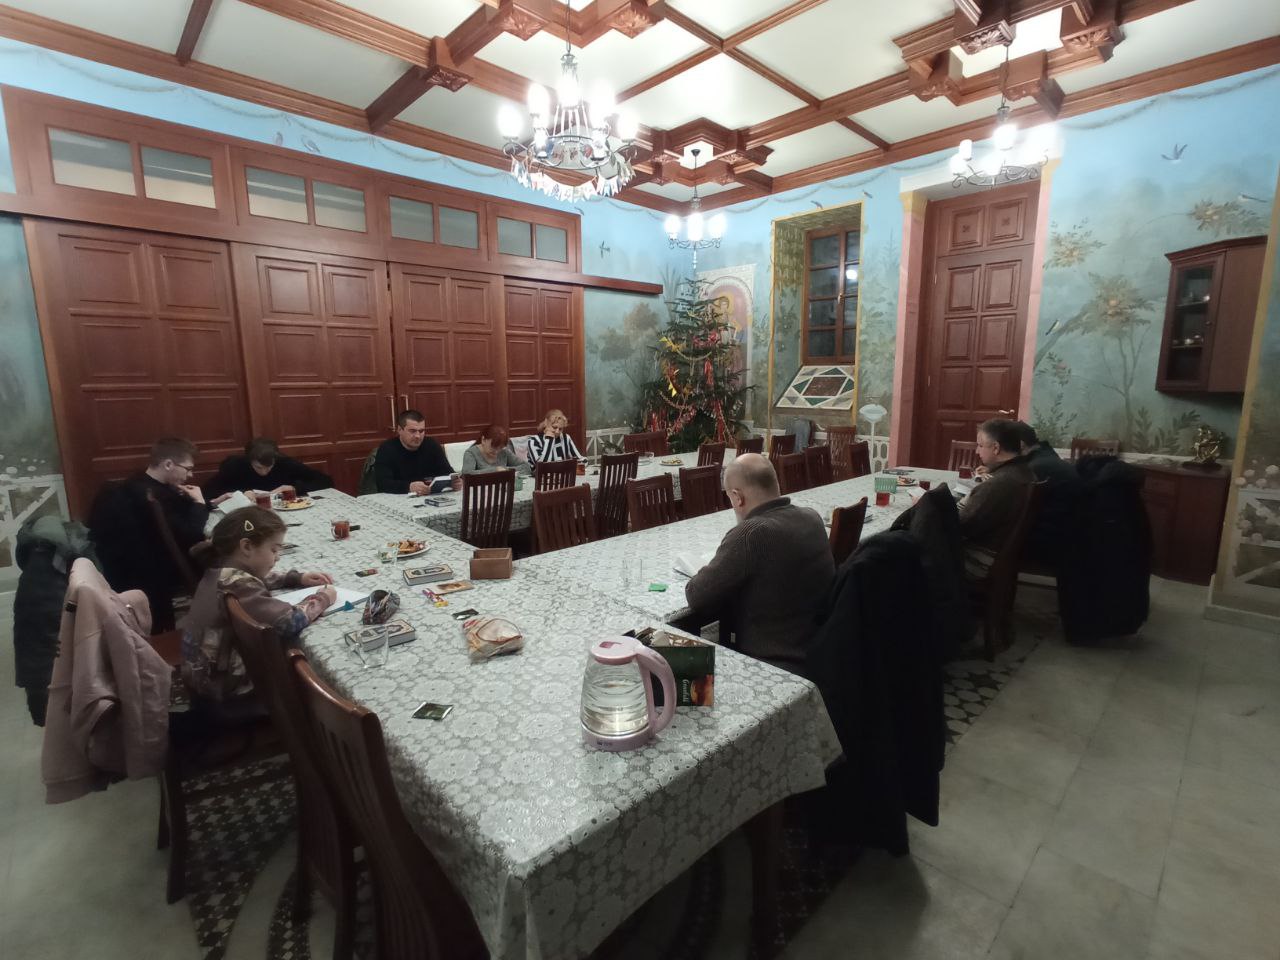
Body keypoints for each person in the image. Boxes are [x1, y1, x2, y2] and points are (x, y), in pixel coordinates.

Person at [679, 453, 834, 672]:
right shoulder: (812, 517)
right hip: (822, 654)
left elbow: (697, 596)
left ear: (737, 497)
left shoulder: (750, 533)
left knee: (680, 658)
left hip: (774, 665)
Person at [181, 506, 334, 714]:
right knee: (314, 679)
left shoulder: (219, 571)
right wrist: (324, 598)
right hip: (232, 696)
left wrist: (296, 578)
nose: (278, 557)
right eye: (274, 550)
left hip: (205, 683)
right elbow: (288, 621)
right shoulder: (239, 585)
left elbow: (254, 578)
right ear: (246, 546)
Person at [88, 438, 212, 627]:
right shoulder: (154, 497)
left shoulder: (139, 483)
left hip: (138, 566)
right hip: (154, 573)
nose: (190, 475)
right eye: (187, 469)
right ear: (168, 464)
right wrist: (199, 503)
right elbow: (192, 533)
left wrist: (207, 502)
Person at [957, 419, 1035, 574]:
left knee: (908, 543)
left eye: (980, 445)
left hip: (976, 560)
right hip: (1002, 553)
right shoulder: (1024, 472)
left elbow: (960, 527)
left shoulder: (999, 484)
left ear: (996, 448)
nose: (977, 451)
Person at [1011, 421, 1081, 568]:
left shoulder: (1035, 467)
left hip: (1053, 540)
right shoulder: (1047, 455)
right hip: (1071, 532)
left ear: (1021, 444)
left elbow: (1014, 508)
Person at [204, 437, 333, 500]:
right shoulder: (235, 465)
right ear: (249, 460)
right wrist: (241, 493)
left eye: (269, 467)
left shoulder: (285, 463)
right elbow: (207, 492)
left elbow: (326, 481)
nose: (264, 472)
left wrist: (294, 488)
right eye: (259, 467)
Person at [374, 409, 456, 495]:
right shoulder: (387, 449)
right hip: (401, 497)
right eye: (412, 431)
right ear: (399, 430)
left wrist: (454, 482)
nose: (418, 436)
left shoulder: (432, 445)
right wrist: (408, 487)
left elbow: (447, 472)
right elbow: (383, 484)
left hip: (429, 496)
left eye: (421, 431)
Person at [462, 425, 530, 475]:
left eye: (500, 448)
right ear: (483, 440)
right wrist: (495, 470)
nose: (497, 451)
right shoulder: (471, 453)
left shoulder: (504, 451)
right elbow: (466, 474)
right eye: (494, 447)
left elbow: (526, 467)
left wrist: (506, 470)